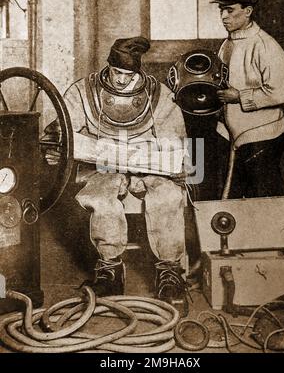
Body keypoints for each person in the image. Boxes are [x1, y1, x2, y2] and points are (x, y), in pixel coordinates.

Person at [44, 37, 190, 315]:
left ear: (139, 72)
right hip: (102, 167)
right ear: (108, 67)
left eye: (128, 75)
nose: (122, 80)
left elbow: (175, 140)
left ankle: (170, 271)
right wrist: (58, 148)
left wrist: (150, 161)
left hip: (149, 167)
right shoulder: (83, 91)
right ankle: (110, 269)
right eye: (117, 73)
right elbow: (61, 130)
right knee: (102, 199)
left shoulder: (158, 94)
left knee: (168, 195)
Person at [213, 0, 284, 198]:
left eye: (230, 10)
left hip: (261, 134)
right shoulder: (226, 44)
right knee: (235, 197)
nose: (223, 17)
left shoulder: (266, 46)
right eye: (221, 10)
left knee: (265, 197)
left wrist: (239, 96)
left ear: (247, 12)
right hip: (230, 133)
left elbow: (281, 91)